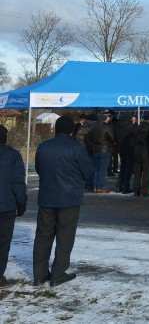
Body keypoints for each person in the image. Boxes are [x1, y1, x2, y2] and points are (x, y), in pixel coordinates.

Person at [32, 115, 94, 287]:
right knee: (65, 236)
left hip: (46, 197)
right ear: (70, 130)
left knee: (43, 236)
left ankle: (39, 275)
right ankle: (58, 273)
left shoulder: (43, 146)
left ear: (55, 129)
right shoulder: (77, 147)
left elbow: (39, 168)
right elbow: (87, 172)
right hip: (69, 198)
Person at [1, 125, 27, 287]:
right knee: (3, 242)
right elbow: (18, 182)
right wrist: (21, 202)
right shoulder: (12, 155)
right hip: (6, 206)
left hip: (7, 205)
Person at [84, 112, 115, 194]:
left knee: (96, 169)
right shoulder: (107, 127)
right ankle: (99, 187)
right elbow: (112, 138)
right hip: (105, 149)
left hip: (95, 150)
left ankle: (95, 186)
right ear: (104, 119)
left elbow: (89, 139)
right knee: (102, 169)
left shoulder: (92, 128)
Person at [131, 111, 149, 197]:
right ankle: (143, 191)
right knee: (147, 173)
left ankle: (136, 190)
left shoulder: (137, 128)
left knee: (137, 172)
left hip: (136, 151)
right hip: (146, 152)